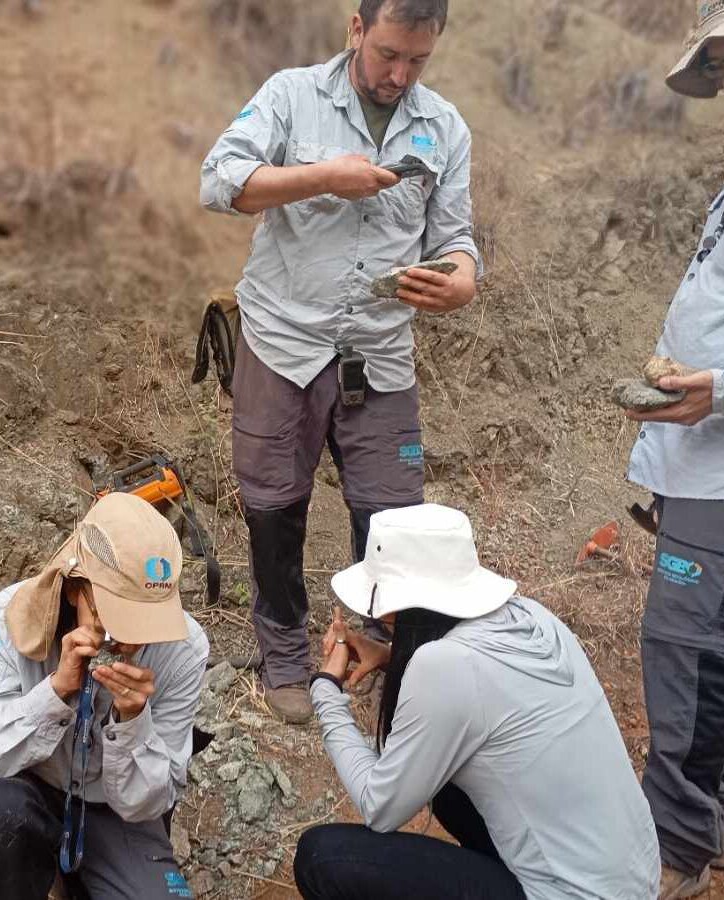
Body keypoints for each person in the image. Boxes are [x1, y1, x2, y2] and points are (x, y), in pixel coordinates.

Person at [199, 0, 481, 723]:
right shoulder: (290, 96)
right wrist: (322, 176)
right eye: (388, 52)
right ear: (356, 29)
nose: (398, 73)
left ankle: (380, 648)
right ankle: (286, 656)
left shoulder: (444, 126)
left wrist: (455, 282)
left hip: (381, 354)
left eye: (418, 59)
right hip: (282, 344)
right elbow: (219, 180)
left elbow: (456, 239)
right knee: (273, 510)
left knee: (393, 519)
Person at [293, 504, 660, 899]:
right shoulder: (531, 616)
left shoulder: (444, 666)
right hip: (634, 880)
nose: (382, 617)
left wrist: (326, 687)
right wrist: (387, 656)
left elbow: (379, 807)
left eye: (384, 610)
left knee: (321, 858)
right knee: (446, 787)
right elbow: (479, 691)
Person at [0, 492, 209, 900]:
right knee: (1, 815)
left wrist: (134, 723)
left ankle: (81, 875)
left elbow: (153, 802)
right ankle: (29, 867)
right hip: (25, 788)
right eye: (114, 617)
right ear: (74, 589)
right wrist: (54, 693)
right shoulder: (5, 621)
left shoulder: (184, 649)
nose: (128, 640)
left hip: (112, 809)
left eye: (146, 620)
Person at [621, 4, 724, 897]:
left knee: (683, 652)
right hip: (699, 465)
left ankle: (680, 845)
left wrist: (716, 390)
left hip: (717, 469)